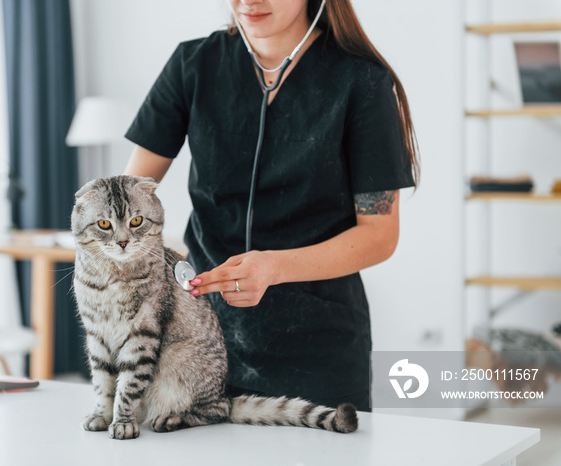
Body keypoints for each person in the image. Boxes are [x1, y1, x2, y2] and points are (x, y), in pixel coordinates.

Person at [123, 0, 420, 412]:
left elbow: (380, 235)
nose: (249, 1)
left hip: (317, 348)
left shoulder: (362, 81)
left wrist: (275, 267)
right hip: (200, 342)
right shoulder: (193, 64)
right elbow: (131, 197)